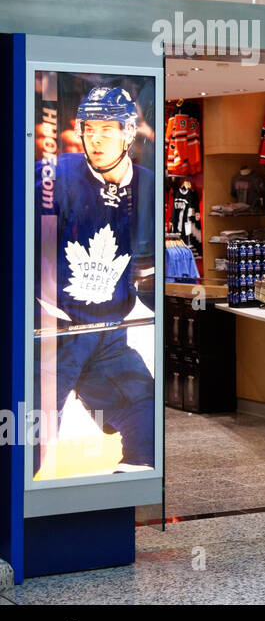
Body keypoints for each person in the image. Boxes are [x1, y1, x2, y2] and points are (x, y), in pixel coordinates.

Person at [36, 85, 155, 475]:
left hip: (108, 332)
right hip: (52, 331)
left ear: (128, 131)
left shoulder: (148, 184)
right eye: (89, 129)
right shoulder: (53, 176)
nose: (96, 138)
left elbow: (150, 259)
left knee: (145, 413)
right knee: (28, 438)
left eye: (107, 128)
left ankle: (121, 504)